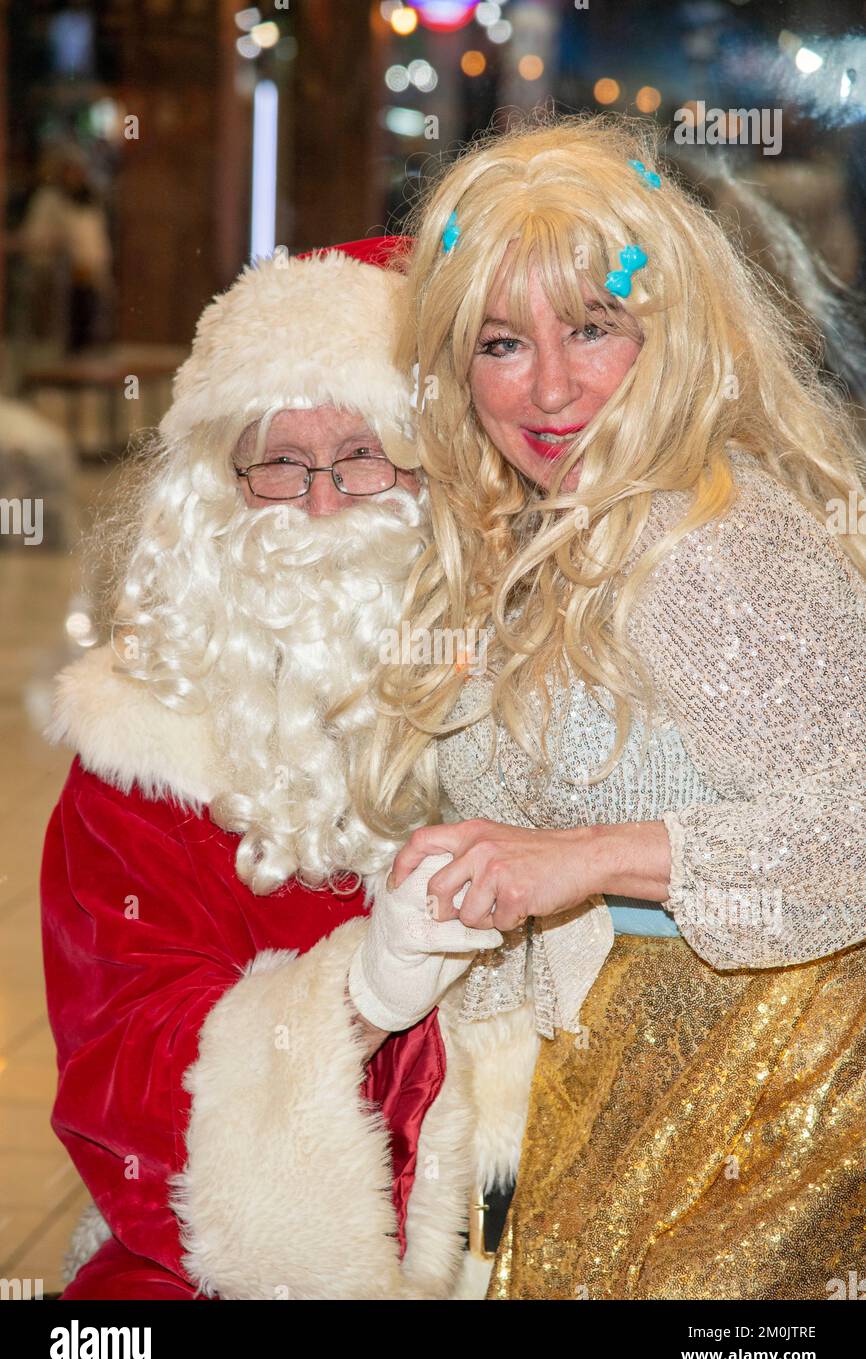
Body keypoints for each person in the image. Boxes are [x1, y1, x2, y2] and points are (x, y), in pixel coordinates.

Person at [358, 113, 866, 1300]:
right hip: (614, 1106)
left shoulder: (706, 542)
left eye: (593, 328)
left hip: (749, 1117)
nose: (547, 387)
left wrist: (583, 857)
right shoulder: (536, 529)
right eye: (499, 343)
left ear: (671, 333)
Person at [41, 237, 538, 1300]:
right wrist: (357, 998)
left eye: (362, 457)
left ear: (435, 469)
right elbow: (118, 1066)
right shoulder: (141, 749)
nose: (320, 506)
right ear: (212, 493)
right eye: (278, 462)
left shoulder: (538, 682)